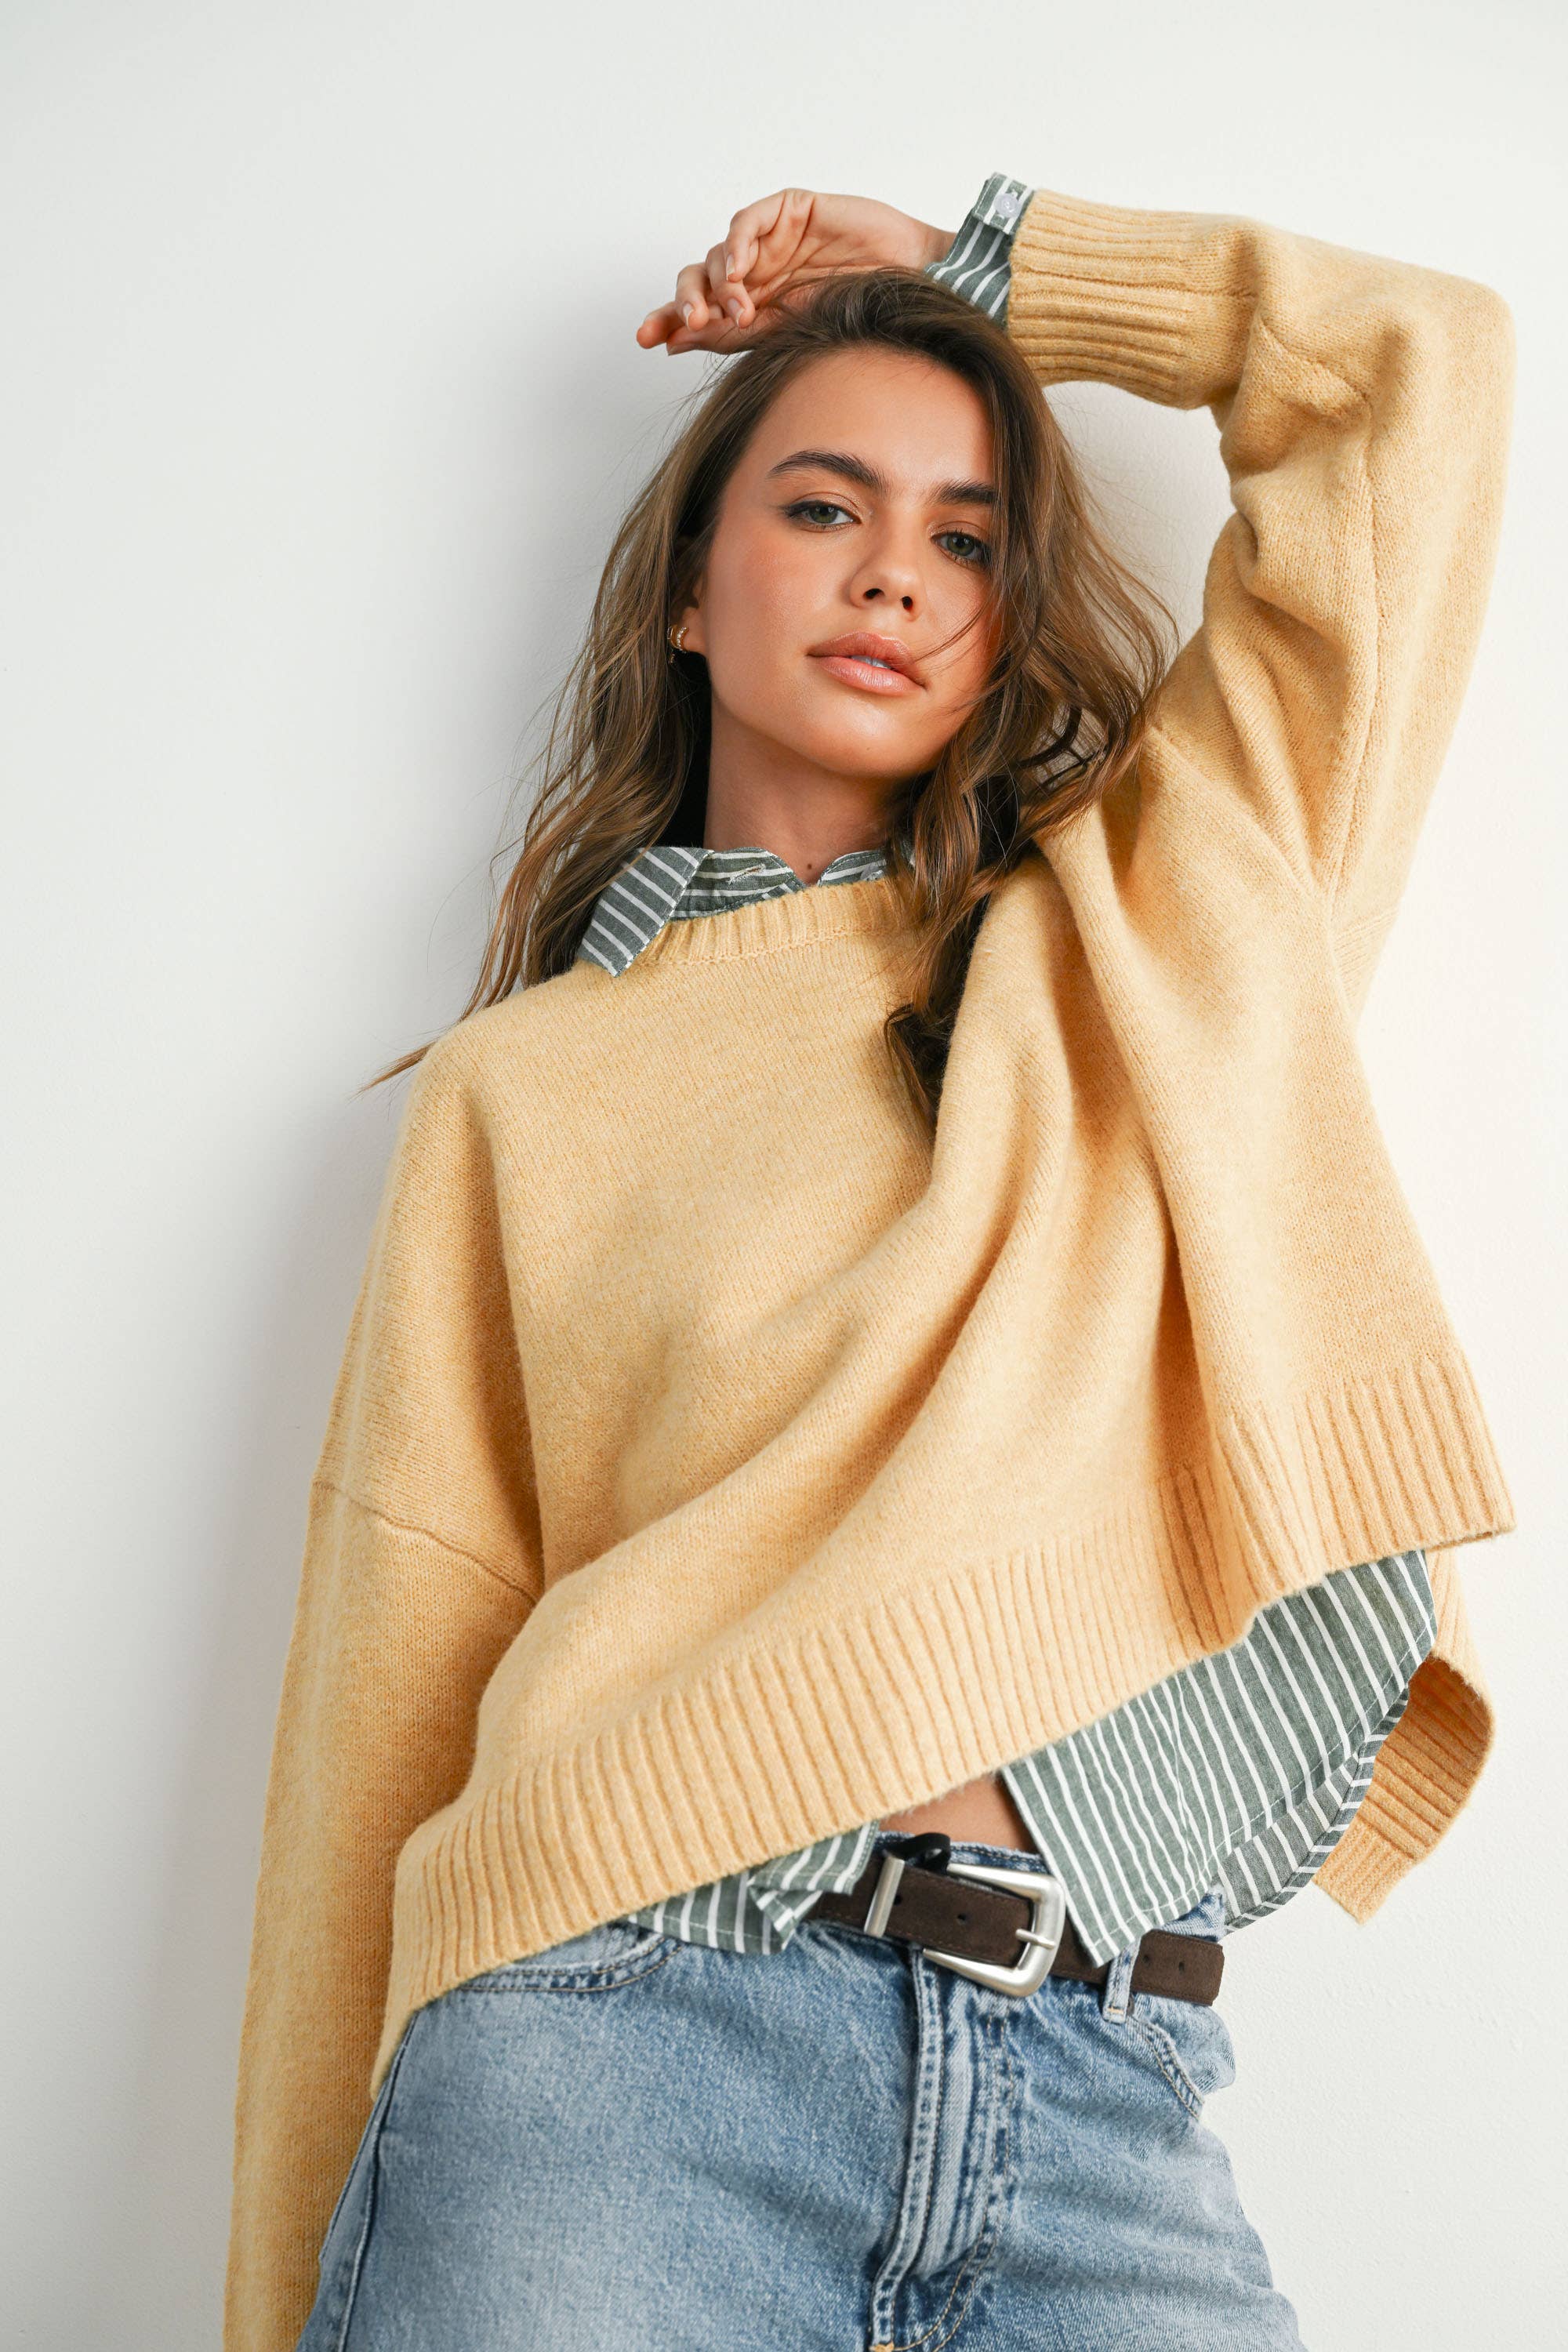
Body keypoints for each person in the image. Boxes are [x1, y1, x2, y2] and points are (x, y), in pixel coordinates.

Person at [225, 172, 1517, 2351]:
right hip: (609, 2061)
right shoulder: (523, 1091)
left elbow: (1423, 373)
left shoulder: (1161, 935)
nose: (897, 576)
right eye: (825, 508)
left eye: (968, 540)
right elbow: (382, 1713)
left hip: (1108, 2086)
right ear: (691, 595)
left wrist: (979, 276)